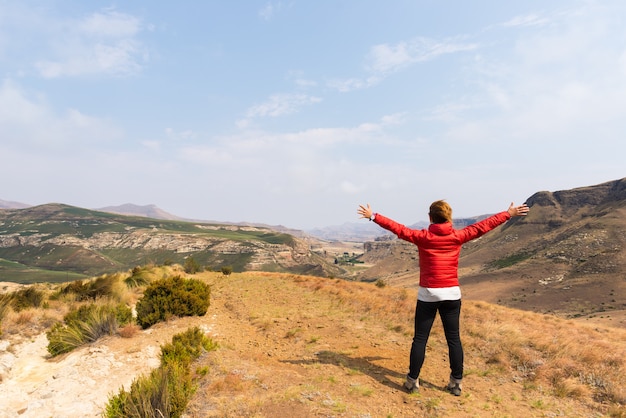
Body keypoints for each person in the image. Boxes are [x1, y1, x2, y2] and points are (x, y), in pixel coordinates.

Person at [357, 200, 529, 396]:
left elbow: (399, 229)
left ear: (430, 217)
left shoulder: (422, 237)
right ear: (449, 217)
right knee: (453, 339)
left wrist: (374, 216)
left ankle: (412, 381)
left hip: (428, 294)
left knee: (420, 339)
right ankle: (456, 383)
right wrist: (507, 214)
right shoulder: (457, 236)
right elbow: (482, 227)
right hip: (452, 294)